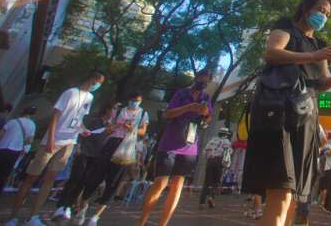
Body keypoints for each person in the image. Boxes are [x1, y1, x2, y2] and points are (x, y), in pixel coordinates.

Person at [242, 0, 331, 226]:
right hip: (279, 114)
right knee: (281, 191)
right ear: (306, 8)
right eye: (321, 10)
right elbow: (272, 52)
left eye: (327, 14)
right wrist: (312, 55)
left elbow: (321, 84)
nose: (323, 16)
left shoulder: (318, 45)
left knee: (293, 195)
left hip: (306, 117)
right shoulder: (286, 26)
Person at [5, 70, 104, 226]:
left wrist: (83, 130)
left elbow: (79, 119)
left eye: (99, 84)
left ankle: (33, 216)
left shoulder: (89, 98)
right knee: (32, 177)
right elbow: (56, 116)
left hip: (69, 141)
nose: (96, 86)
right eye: (96, 82)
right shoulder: (70, 93)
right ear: (90, 79)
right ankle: (13, 217)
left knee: (50, 178)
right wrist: (50, 139)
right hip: (53, 139)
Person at [139, 69, 213, 226]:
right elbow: (167, 114)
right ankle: (142, 221)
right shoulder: (181, 93)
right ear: (196, 77)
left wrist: (205, 114)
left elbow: (207, 121)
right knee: (160, 183)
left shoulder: (206, 97)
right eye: (202, 78)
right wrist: (189, 107)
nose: (203, 82)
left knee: (177, 186)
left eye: (207, 81)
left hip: (190, 146)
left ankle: (163, 223)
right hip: (170, 144)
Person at [69, 92, 148, 225]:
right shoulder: (119, 111)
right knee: (95, 177)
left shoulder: (143, 113)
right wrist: (116, 126)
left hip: (126, 147)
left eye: (137, 101)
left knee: (113, 182)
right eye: (132, 100)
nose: (134, 102)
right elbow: (107, 129)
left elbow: (143, 131)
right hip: (111, 144)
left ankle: (95, 216)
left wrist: (132, 128)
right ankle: (83, 208)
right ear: (128, 100)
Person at [54, 102, 118, 225]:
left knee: (83, 182)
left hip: (97, 156)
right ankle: (62, 206)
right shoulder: (95, 121)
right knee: (75, 178)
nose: (114, 112)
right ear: (107, 109)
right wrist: (78, 146)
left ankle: (71, 206)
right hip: (84, 152)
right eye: (113, 108)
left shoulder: (111, 126)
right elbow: (83, 133)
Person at [200, 128, 232, 209]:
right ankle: (211, 198)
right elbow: (229, 152)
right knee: (216, 182)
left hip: (210, 161)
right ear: (226, 134)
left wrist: (210, 156)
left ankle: (202, 203)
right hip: (219, 162)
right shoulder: (227, 142)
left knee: (206, 183)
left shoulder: (212, 140)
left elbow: (205, 151)